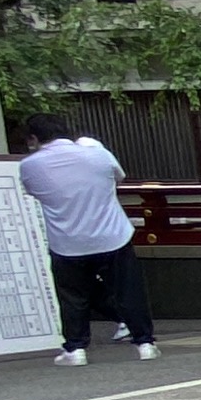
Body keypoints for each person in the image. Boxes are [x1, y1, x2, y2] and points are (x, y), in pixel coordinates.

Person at [17, 116, 155, 364]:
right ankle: (145, 343)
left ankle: (75, 348)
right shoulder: (97, 154)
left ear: (34, 138)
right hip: (112, 235)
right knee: (128, 291)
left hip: (67, 241)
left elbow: (33, 191)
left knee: (73, 296)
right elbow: (119, 176)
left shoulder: (30, 165)